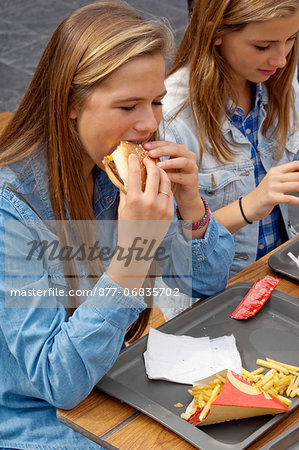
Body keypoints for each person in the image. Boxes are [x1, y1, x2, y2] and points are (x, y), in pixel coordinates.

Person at [0, 2, 234, 448]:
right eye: (128, 106)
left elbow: (208, 284)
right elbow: (59, 384)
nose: (148, 124)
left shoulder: (120, 173)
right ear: (70, 102)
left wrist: (191, 205)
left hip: (117, 377)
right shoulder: (10, 211)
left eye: (157, 101)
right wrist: (136, 252)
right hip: (38, 419)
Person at [160, 0, 299, 277]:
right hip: (214, 293)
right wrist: (249, 206)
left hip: (281, 268)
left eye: (292, 39)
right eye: (263, 46)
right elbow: (168, 250)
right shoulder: (169, 117)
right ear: (215, 33)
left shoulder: (283, 84)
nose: (281, 60)